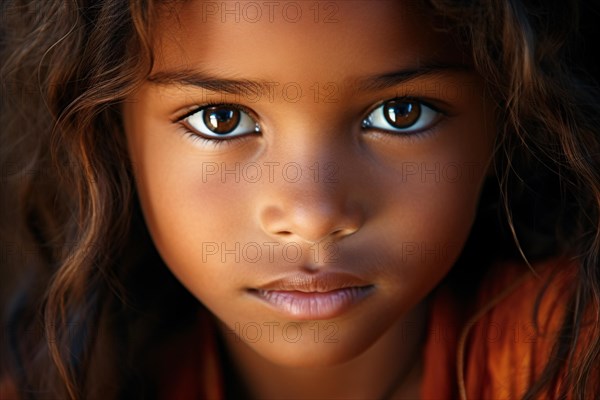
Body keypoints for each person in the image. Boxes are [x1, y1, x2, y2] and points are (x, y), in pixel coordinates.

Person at [1, 0, 599, 398]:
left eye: (400, 114)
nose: (313, 216)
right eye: (221, 119)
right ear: (111, 136)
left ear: (504, 118)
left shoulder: (572, 356)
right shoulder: (69, 384)